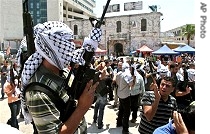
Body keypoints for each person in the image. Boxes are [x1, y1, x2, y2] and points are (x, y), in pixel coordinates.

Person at [20, 21, 101, 134]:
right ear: (52, 46)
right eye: (67, 42)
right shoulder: (37, 92)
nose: (72, 47)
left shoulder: (63, 72)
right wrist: (82, 107)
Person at [116, 62, 136, 134]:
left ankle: (119, 123)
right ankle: (125, 129)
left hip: (119, 93)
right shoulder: (127, 75)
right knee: (127, 112)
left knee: (121, 109)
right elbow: (132, 85)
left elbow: (116, 82)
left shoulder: (119, 74)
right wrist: (134, 78)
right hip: (125, 95)